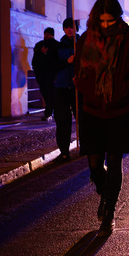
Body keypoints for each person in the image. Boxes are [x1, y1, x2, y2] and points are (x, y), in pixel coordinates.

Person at [74, 0, 129, 236]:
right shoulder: (87, 39)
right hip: (93, 111)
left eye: (110, 21)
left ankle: (109, 212)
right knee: (95, 164)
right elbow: (80, 71)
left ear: (118, 17)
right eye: (102, 21)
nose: (106, 26)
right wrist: (87, 90)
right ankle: (105, 194)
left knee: (115, 161)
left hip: (119, 110)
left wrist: (121, 92)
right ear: (96, 18)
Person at [52, 18, 77, 161]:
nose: (70, 29)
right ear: (63, 29)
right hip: (62, 88)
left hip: (78, 87)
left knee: (83, 118)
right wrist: (66, 61)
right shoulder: (58, 45)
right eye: (67, 27)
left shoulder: (82, 43)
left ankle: (86, 147)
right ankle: (64, 150)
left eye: (72, 27)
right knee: (62, 120)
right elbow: (52, 65)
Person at [32, 27, 58, 121]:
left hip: (51, 74)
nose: (46, 35)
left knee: (50, 94)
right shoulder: (39, 45)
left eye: (48, 34)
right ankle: (51, 111)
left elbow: (56, 59)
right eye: (45, 34)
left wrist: (46, 54)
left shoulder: (56, 45)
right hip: (41, 74)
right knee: (45, 93)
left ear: (52, 35)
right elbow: (35, 60)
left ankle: (48, 113)